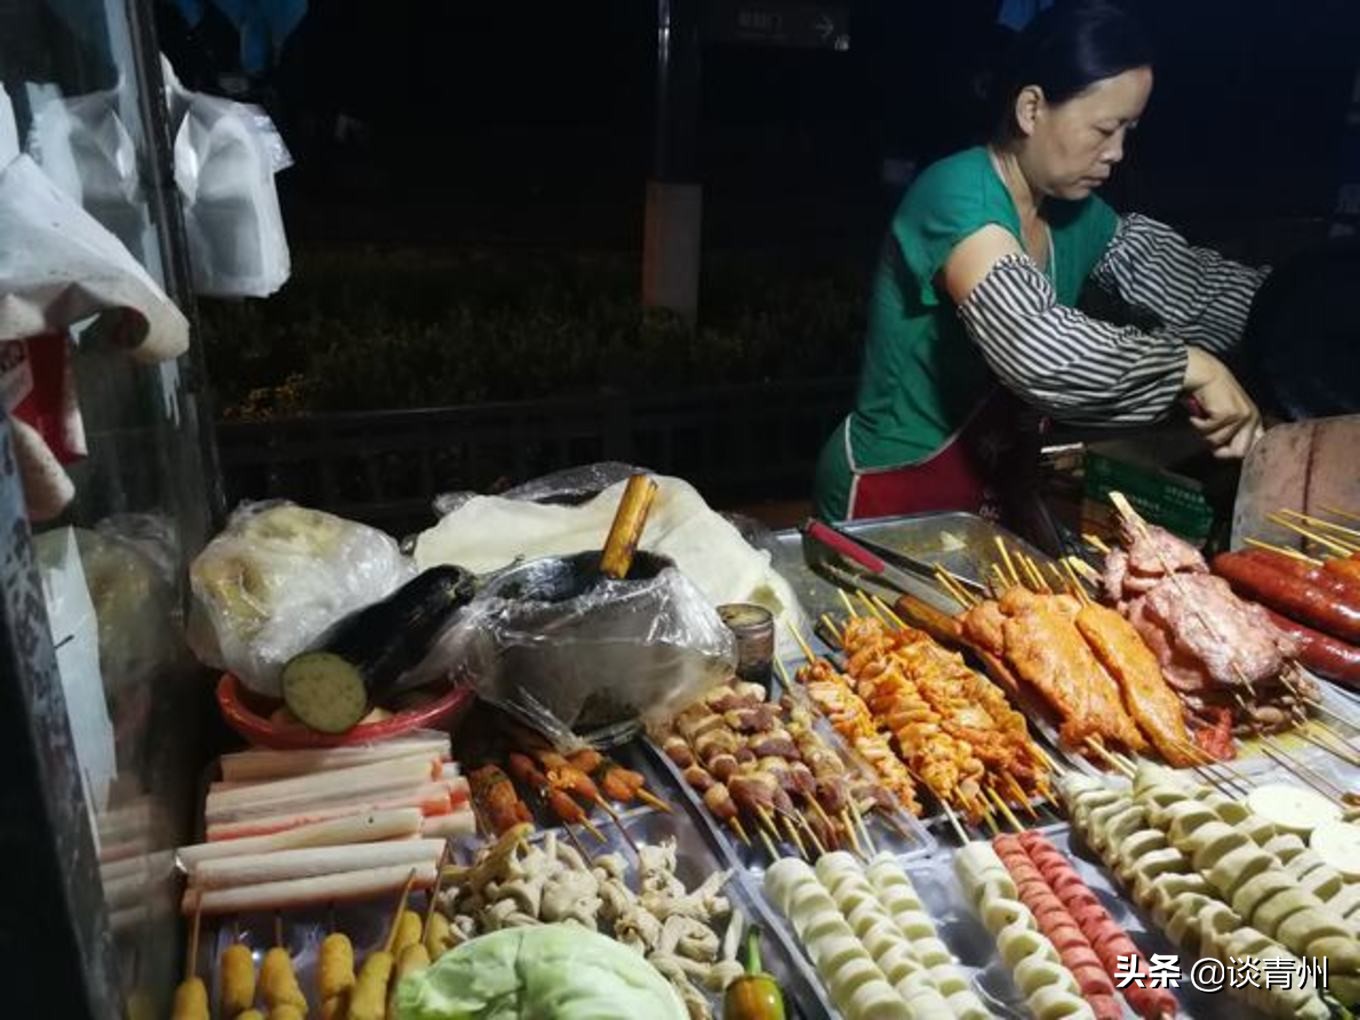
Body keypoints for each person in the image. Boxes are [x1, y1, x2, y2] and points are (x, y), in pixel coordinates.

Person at [814, 0, 1268, 523]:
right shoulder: (957, 196)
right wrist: (1192, 367)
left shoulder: (1079, 215)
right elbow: (1039, 348)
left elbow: (1196, 291)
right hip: (895, 491)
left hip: (998, 488)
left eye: (1129, 132)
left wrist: (1305, 310)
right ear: (1031, 108)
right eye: (1103, 130)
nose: (1117, 152)